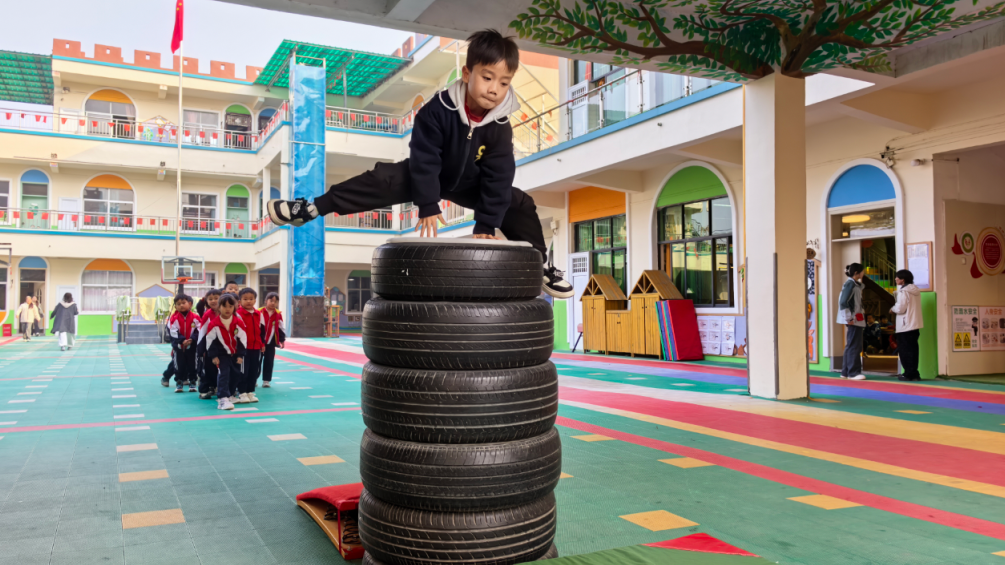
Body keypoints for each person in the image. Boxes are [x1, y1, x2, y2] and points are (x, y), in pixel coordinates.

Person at [265, 29, 573, 300]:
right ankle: (310, 209)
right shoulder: (437, 110)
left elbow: (498, 176)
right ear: (467, 74)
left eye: (504, 82)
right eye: (488, 77)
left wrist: (485, 225)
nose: (494, 89)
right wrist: (428, 204)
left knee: (518, 202)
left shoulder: (500, 124)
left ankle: (540, 266)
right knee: (382, 178)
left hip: (470, 184)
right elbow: (425, 159)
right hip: (430, 174)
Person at [203, 293, 247, 410]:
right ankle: (222, 399)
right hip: (222, 355)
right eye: (224, 306)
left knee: (235, 375)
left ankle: (230, 394)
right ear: (219, 307)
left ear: (235, 307)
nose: (227, 309)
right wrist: (213, 356)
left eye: (230, 306)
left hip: (235, 355)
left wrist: (241, 354)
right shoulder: (214, 323)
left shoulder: (238, 322)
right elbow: (210, 341)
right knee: (223, 375)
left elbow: (243, 339)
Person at [890, 269, 923, 381]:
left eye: (897, 277)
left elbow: (900, 308)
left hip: (905, 325)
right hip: (915, 324)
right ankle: (915, 373)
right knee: (913, 349)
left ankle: (908, 374)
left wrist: (892, 309)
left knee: (905, 350)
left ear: (902, 280)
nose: (895, 279)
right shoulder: (915, 291)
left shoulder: (904, 292)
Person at [837, 263, 867, 380]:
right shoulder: (850, 284)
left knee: (851, 345)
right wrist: (848, 318)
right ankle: (853, 372)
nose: (863, 273)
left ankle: (845, 371)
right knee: (855, 345)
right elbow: (843, 302)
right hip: (853, 319)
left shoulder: (853, 284)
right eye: (862, 271)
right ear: (856, 273)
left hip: (854, 318)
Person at [234, 288, 263, 404]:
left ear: (255, 300)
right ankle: (241, 392)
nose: (249, 301)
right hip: (243, 349)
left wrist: (262, 343)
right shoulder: (238, 314)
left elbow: (262, 330)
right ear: (240, 301)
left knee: (253, 370)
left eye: (251, 299)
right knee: (243, 371)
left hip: (256, 347)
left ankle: (250, 391)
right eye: (245, 299)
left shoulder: (258, 314)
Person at [167, 294, 200, 393]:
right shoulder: (174, 318)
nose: (181, 305)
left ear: (189, 304)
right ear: (175, 306)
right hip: (179, 347)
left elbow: (199, 330)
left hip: (192, 347)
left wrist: (192, 339)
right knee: (179, 366)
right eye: (178, 304)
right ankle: (179, 383)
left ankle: (193, 382)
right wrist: (182, 340)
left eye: (183, 303)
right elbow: (173, 331)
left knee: (193, 365)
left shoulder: (195, 317)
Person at [196, 289, 222, 399]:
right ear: (206, 301)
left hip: (224, 346)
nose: (213, 301)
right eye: (210, 299)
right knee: (207, 369)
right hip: (209, 346)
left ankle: (221, 388)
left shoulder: (228, 313)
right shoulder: (207, 315)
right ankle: (204, 390)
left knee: (223, 369)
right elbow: (202, 333)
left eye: (216, 298)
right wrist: (201, 350)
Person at [260, 292, 286, 387]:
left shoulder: (278, 314)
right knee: (256, 362)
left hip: (270, 343)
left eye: (275, 301)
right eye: (271, 301)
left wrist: (282, 340)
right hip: (259, 342)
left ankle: (266, 381)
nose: (273, 303)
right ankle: (253, 379)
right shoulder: (259, 312)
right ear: (266, 301)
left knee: (269, 361)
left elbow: (281, 328)